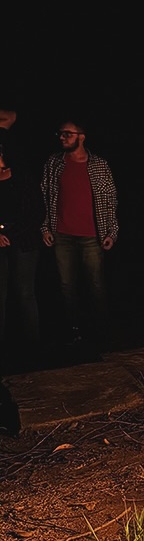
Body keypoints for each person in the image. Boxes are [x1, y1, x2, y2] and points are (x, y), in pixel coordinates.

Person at [41, 117, 118, 351]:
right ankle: (74, 332)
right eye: (60, 134)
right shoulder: (54, 163)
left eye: (68, 134)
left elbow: (110, 200)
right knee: (67, 287)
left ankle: (102, 334)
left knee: (96, 286)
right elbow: (45, 196)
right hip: (63, 235)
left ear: (81, 137)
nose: (62, 138)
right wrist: (45, 227)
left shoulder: (99, 165)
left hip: (91, 236)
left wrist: (111, 232)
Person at [0, 104, 44, 369]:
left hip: (23, 239)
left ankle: (32, 348)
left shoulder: (22, 176)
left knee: (25, 293)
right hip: (0, 239)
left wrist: (12, 235)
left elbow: (35, 211)